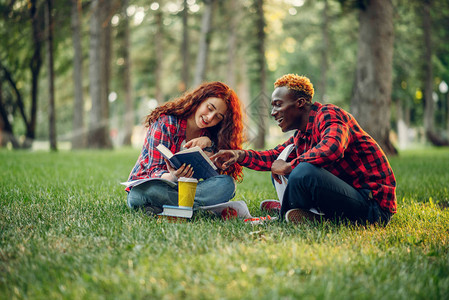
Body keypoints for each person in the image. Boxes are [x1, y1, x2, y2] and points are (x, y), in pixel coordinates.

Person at [211, 74, 396, 225]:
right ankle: (305, 214)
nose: (273, 112)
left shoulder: (329, 115)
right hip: (349, 198)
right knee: (283, 165)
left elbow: (332, 147)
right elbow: (273, 157)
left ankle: (285, 214)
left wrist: (291, 166)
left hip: (373, 207)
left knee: (303, 171)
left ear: (300, 103)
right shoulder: (302, 135)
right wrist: (239, 154)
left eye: (278, 104)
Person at [126, 81, 244, 215]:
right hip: (153, 187)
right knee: (145, 191)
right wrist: (173, 176)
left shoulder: (210, 135)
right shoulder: (166, 123)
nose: (210, 117)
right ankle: (199, 210)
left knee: (227, 184)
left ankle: (171, 209)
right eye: (210, 108)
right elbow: (153, 170)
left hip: (185, 191)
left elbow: (213, 178)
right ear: (199, 100)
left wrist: (210, 145)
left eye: (218, 117)